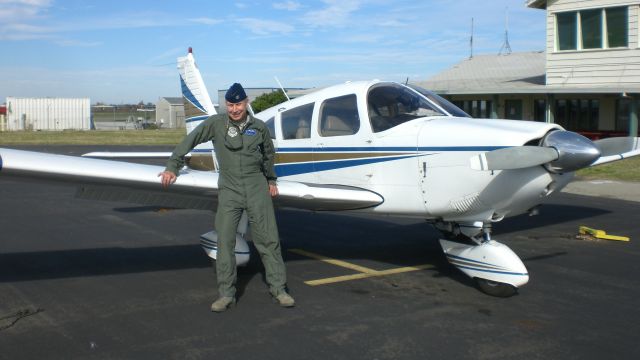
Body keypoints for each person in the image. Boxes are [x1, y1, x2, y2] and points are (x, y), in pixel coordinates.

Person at [158, 83, 294, 312]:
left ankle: (279, 290)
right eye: (230, 105)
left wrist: (271, 180)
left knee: (268, 240)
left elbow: (268, 155)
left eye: (238, 104)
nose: (234, 109)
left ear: (246, 102)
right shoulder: (216, 124)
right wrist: (173, 165)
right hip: (229, 189)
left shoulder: (259, 128)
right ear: (225, 105)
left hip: (256, 187)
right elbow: (189, 141)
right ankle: (226, 294)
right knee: (225, 242)